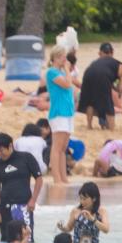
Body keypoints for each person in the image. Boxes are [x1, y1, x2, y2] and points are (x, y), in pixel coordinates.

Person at [0, 132, 43, 243]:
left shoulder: (26, 158)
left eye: (2, 150)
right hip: (5, 207)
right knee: (6, 241)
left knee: (26, 241)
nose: (0, 153)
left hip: (24, 207)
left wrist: (33, 200)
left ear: (10, 145)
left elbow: (39, 179)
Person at [77, 43, 122, 129]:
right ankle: (112, 128)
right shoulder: (119, 65)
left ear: (100, 53)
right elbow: (121, 83)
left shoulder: (95, 62)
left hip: (88, 73)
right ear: (112, 53)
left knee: (90, 102)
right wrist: (119, 90)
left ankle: (89, 125)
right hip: (103, 76)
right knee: (108, 103)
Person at [46, 45, 74, 184]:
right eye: (63, 56)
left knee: (63, 148)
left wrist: (67, 70)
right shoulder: (52, 72)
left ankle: (64, 177)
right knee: (57, 147)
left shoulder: (61, 72)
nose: (65, 59)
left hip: (68, 113)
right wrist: (68, 69)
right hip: (58, 113)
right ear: (57, 57)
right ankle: (56, 177)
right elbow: (67, 84)